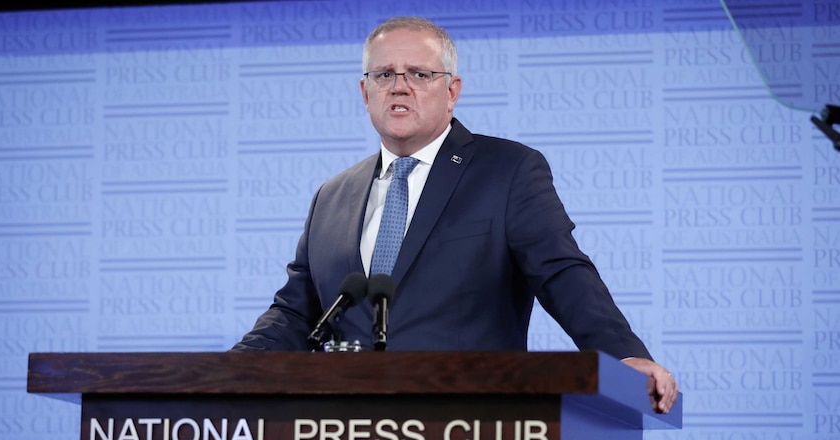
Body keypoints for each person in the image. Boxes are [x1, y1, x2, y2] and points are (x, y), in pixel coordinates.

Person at [233, 16, 678, 414]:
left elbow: (561, 272)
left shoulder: (507, 171)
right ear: (365, 91)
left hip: (470, 425)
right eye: (384, 74)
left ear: (452, 91)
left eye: (419, 74)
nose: (399, 86)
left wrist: (622, 354)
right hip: (346, 427)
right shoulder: (332, 196)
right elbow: (295, 312)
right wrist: (228, 370)